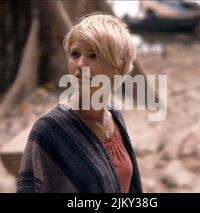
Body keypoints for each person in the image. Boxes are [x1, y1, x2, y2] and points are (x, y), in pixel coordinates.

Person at [17, 14, 143, 193]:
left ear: (118, 65)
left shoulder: (114, 115)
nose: (80, 64)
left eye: (93, 55)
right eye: (75, 54)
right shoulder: (49, 131)